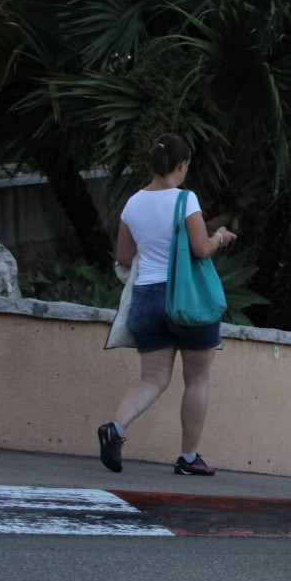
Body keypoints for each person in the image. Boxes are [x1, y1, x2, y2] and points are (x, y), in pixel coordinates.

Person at [96, 133, 238, 476]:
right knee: (197, 379)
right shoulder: (185, 199)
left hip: (147, 298)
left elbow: (124, 257)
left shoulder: (133, 203)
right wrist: (220, 235)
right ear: (182, 164)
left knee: (153, 378)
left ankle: (117, 428)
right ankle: (189, 458)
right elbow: (201, 248)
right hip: (186, 299)